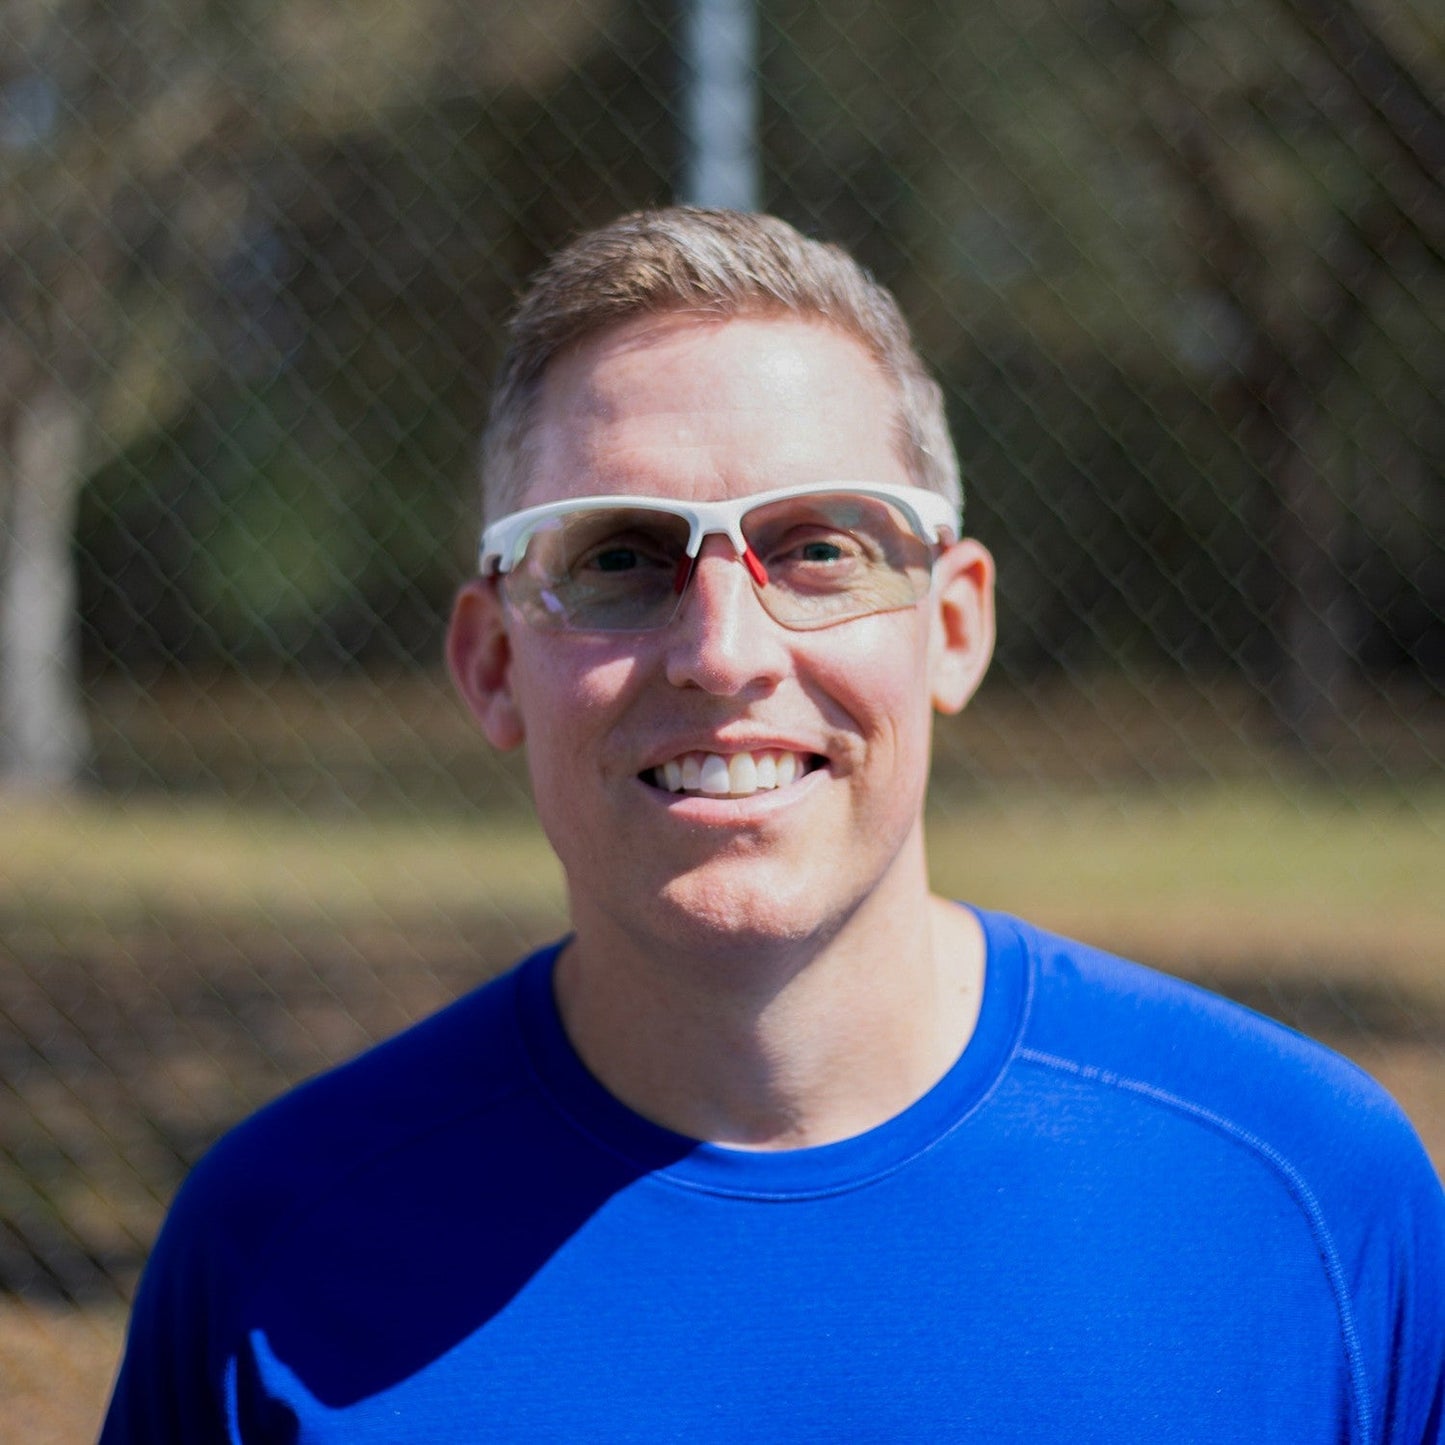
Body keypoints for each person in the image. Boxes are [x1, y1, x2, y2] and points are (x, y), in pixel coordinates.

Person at [101, 207, 1445, 1443]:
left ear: (954, 624)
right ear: (493, 664)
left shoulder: (1309, 1201)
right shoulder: (274, 1247)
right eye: (618, 555)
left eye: (818, 546)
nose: (724, 651)